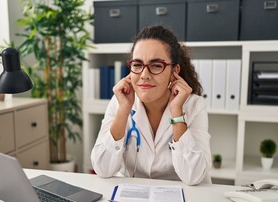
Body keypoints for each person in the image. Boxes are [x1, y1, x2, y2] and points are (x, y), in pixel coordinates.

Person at [90, 25, 211, 185]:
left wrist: (176, 113)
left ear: (174, 71)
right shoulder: (120, 102)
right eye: (137, 65)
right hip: (134, 199)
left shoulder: (194, 106)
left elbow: (194, 176)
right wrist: (123, 111)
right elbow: (103, 168)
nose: (144, 75)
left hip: (180, 199)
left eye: (156, 65)